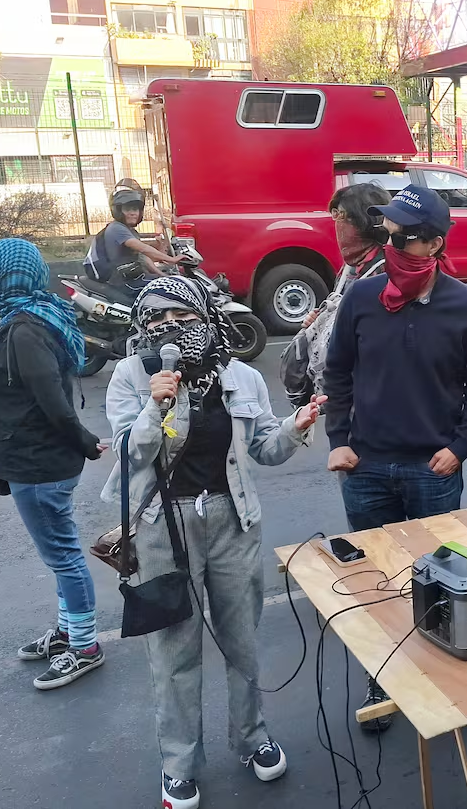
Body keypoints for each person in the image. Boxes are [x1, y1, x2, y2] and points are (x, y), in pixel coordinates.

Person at [103, 275, 325, 809]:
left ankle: (252, 737)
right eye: (154, 320)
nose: (168, 328)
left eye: (180, 316)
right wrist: (157, 405)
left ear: (205, 316)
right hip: (163, 526)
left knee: (240, 639)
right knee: (174, 652)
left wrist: (296, 427)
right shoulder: (131, 378)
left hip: (232, 520)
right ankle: (179, 765)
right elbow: (132, 454)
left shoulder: (242, 377)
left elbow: (266, 451)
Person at [323, 185, 467, 731]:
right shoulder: (361, 298)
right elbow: (338, 373)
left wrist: (459, 448)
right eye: (389, 234)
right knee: (376, 580)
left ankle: (438, 670)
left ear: (435, 244)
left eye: (407, 236)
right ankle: (385, 677)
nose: (394, 243)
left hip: (433, 471)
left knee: (434, 577)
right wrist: (338, 441)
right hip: (367, 468)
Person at [0, 202, 107, 691]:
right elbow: (20, 405)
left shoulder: (23, 329)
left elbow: (51, 404)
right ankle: (69, 632)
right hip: (32, 461)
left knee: (63, 555)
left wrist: (85, 443)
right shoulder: (32, 313)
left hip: (42, 467)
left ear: (3, 282)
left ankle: (84, 646)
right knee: (59, 554)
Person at [284, 183, 392, 406]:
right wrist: (319, 322)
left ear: (364, 222)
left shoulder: (385, 271)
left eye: (341, 215)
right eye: (335, 215)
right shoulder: (349, 269)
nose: (337, 225)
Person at [84, 181, 183, 300]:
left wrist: (162, 275)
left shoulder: (130, 231)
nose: (132, 213)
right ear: (118, 210)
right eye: (127, 209)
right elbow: (143, 248)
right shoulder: (116, 228)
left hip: (134, 277)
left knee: (168, 282)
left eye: (135, 209)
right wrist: (173, 259)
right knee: (171, 289)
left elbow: (143, 258)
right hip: (124, 282)